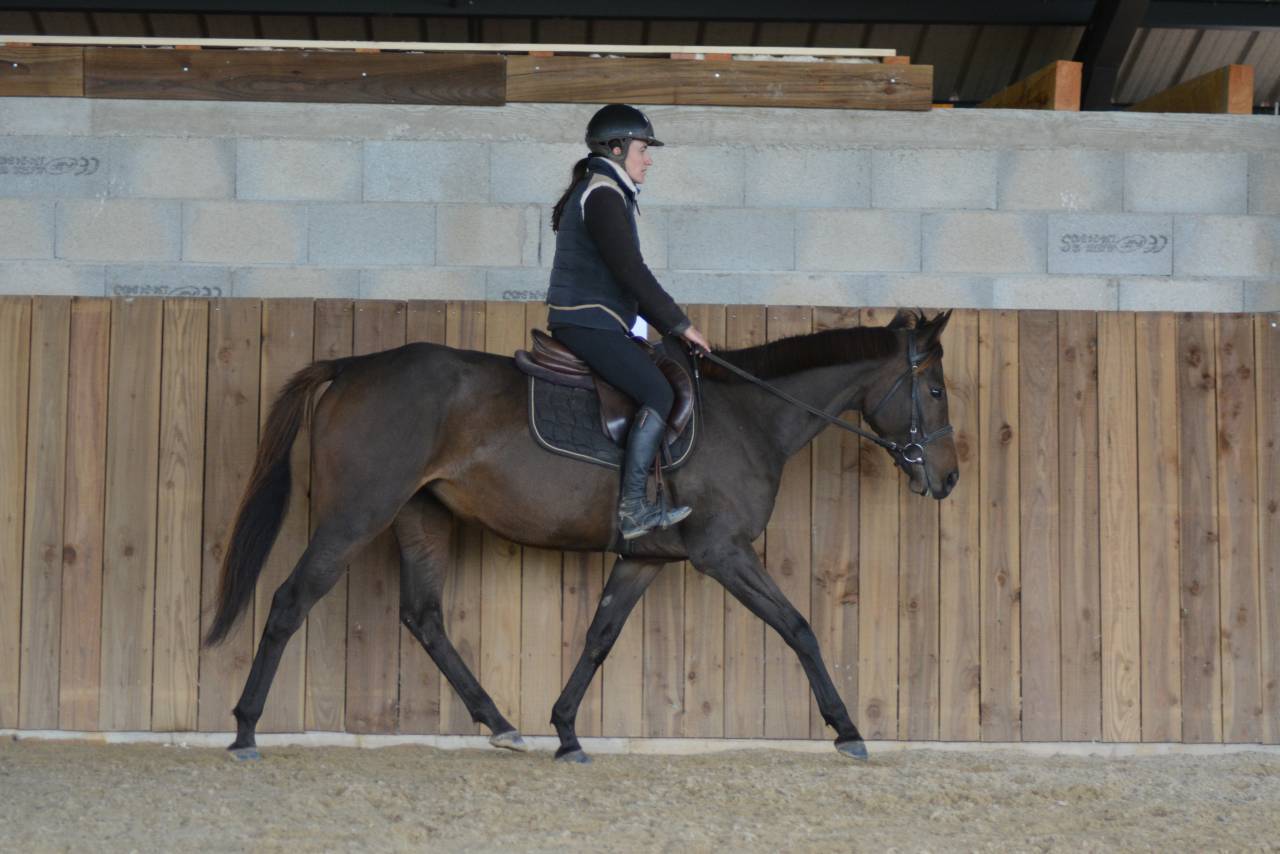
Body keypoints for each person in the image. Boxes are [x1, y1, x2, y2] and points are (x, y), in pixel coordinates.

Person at [546, 103, 713, 541]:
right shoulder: (603, 194)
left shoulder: (603, 189)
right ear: (617, 149)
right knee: (657, 391)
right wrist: (680, 325)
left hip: (597, 321)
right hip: (587, 322)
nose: (648, 159)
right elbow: (631, 271)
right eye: (643, 149)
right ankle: (634, 508)